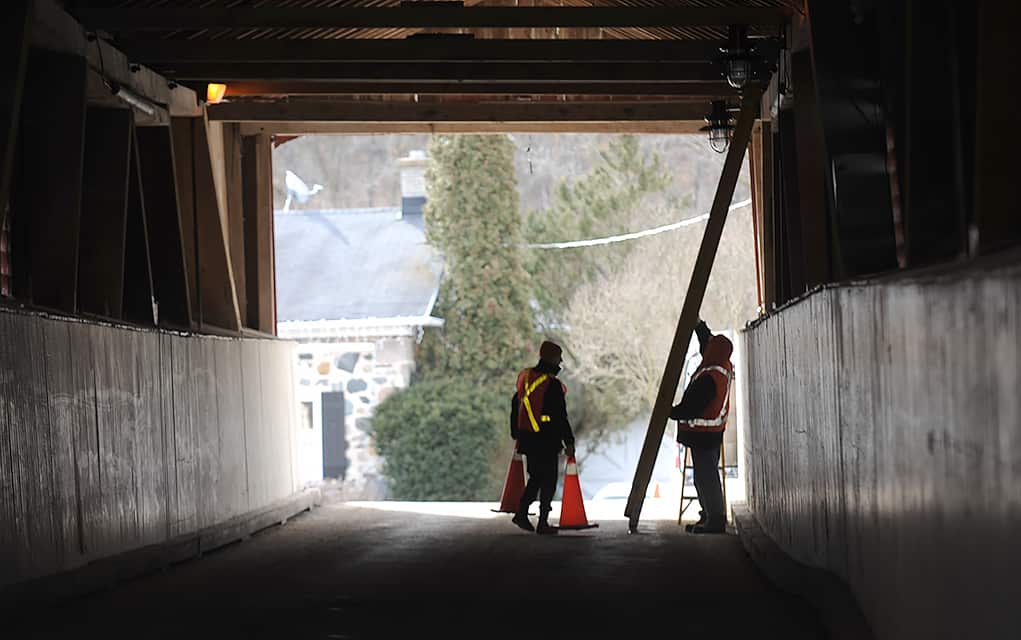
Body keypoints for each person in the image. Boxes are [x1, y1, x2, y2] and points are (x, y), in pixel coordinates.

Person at [670, 319, 734, 534]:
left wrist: (670, 412)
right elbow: (707, 341)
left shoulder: (709, 376)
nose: (705, 347)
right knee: (704, 476)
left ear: (712, 351)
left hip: (703, 435)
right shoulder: (720, 366)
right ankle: (708, 515)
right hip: (711, 434)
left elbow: (692, 407)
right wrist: (698, 325)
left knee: (706, 478)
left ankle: (715, 520)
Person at [509, 340, 576, 535]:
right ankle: (543, 522)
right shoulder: (552, 384)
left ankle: (522, 512)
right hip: (547, 439)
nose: (561, 361)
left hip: (528, 438)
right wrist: (569, 441)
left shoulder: (526, 377)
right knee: (548, 480)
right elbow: (560, 416)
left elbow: (516, 404)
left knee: (536, 477)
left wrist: (516, 432)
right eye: (559, 357)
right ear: (552, 358)